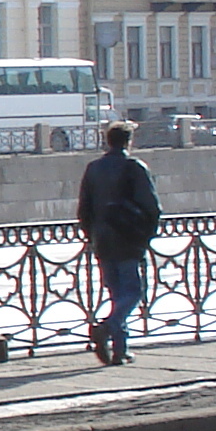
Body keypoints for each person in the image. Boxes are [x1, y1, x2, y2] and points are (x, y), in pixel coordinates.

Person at [77, 121, 162, 365]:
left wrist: (92, 236)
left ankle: (120, 350)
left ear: (108, 140)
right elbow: (152, 207)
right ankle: (108, 327)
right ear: (128, 141)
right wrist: (145, 237)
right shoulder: (134, 166)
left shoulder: (93, 168)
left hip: (102, 239)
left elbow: (83, 209)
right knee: (134, 292)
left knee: (117, 294)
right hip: (127, 238)